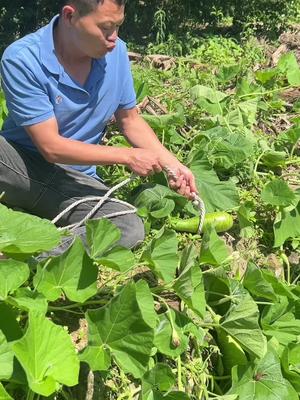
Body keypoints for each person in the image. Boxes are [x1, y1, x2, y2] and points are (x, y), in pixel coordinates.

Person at [0, 0, 197, 255]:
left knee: (126, 225)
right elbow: (50, 146)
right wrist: (127, 156)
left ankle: (23, 255)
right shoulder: (23, 58)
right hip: (18, 166)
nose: (113, 38)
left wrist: (173, 164)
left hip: (74, 182)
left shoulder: (115, 55)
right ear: (70, 16)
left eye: (118, 26)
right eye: (106, 27)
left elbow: (130, 121)